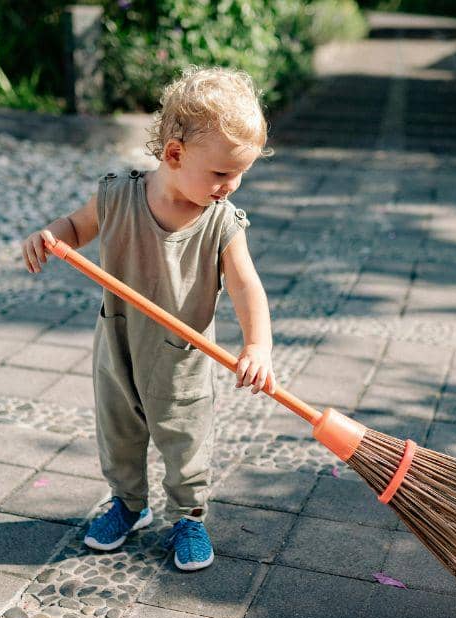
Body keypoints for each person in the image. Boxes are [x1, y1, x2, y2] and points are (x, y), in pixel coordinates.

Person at [20, 66, 276, 571]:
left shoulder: (220, 222)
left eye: (239, 173)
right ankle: (128, 504)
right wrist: (48, 237)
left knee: (184, 439)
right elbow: (75, 226)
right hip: (117, 343)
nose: (232, 185)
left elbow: (247, 286)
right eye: (222, 173)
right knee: (118, 432)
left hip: (181, 357)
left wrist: (257, 346)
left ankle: (189, 516)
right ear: (175, 155)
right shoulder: (117, 195)